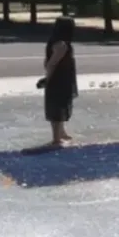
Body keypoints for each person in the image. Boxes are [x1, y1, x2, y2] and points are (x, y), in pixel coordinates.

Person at [40, 16, 78, 147]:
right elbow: (51, 63)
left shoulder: (55, 41)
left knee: (61, 105)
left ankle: (61, 132)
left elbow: (46, 61)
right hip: (59, 79)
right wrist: (47, 78)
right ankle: (56, 138)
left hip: (61, 78)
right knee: (58, 107)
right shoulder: (61, 44)